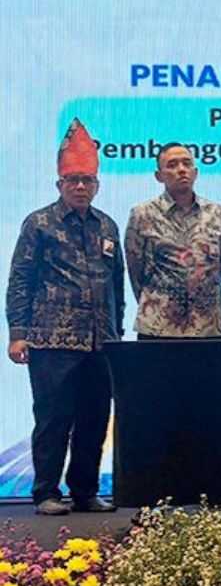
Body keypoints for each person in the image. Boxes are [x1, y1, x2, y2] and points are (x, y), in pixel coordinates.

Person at [5, 119, 121, 515]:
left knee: (94, 419)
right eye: (73, 180)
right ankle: (46, 493)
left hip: (100, 342)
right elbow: (21, 279)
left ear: (97, 185)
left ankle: (85, 491)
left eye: (87, 180)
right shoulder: (39, 223)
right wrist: (17, 332)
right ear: (60, 184)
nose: (80, 186)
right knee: (54, 419)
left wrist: (116, 334)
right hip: (51, 340)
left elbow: (116, 284)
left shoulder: (107, 225)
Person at [125, 142, 221, 339]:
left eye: (186, 163)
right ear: (159, 176)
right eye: (172, 165)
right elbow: (136, 271)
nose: (181, 170)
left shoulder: (218, 213)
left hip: (207, 326)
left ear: (196, 172)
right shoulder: (142, 214)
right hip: (158, 326)